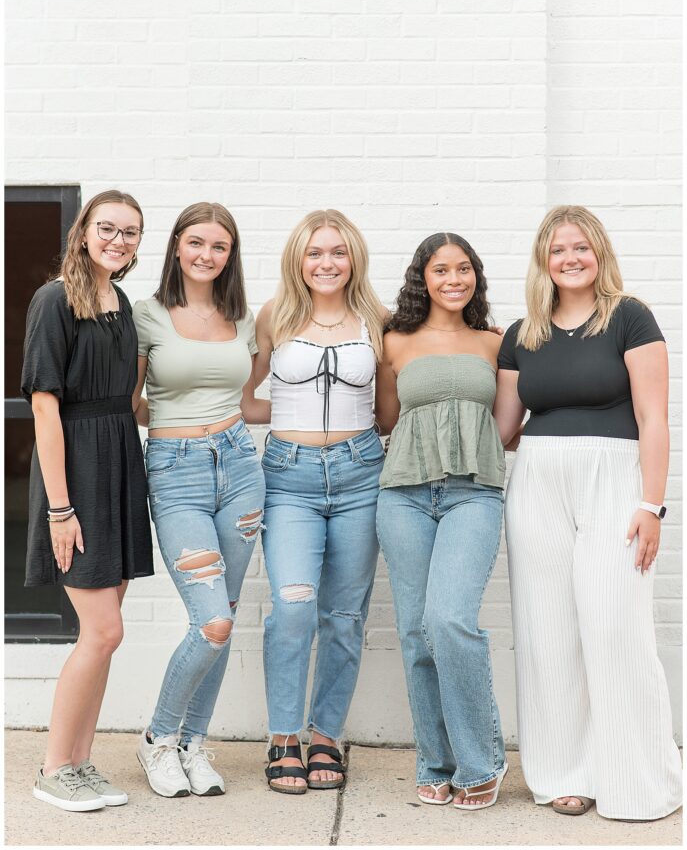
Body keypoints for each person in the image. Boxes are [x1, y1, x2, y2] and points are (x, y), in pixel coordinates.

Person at [493, 205, 682, 820]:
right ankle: (563, 774)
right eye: (557, 249)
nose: (570, 258)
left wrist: (651, 504)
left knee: (614, 624)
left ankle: (635, 780)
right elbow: (503, 429)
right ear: (542, 260)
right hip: (540, 482)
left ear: (598, 253)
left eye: (581, 247)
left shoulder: (629, 317)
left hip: (616, 479)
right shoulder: (522, 333)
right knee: (547, 631)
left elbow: (655, 418)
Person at [23, 190, 153, 812]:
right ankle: (54, 767)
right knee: (102, 630)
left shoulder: (120, 301)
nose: (118, 241)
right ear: (83, 232)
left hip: (120, 462)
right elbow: (44, 406)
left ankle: (80, 761)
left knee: (105, 634)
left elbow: (127, 399)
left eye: (130, 233)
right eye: (108, 228)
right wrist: (59, 507)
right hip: (76, 473)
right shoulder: (55, 299)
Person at [133, 202, 267, 798]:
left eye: (219, 246)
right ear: (177, 248)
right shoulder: (147, 315)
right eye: (196, 243)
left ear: (230, 255)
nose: (207, 255)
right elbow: (131, 402)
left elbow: (250, 400)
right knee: (210, 621)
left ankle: (192, 744)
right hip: (177, 471)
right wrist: (174, 434)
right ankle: (159, 740)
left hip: (240, 468)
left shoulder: (244, 320)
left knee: (227, 616)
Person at [254, 209, 386, 794]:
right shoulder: (274, 317)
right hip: (288, 478)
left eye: (337, 252)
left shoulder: (378, 320)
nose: (326, 263)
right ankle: (284, 735)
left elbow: (389, 411)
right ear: (298, 260)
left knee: (343, 617)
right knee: (294, 606)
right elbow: (244, 397)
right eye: (314, 252)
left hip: (361, 476)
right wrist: (290, 423)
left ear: (353, 257)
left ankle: (325, 734)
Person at [375, 232, 508, 810]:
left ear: (475, 275)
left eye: (463, 269)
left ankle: (482, 761)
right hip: (402, 494)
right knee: (415, 633)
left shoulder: (497, 343)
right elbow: (385, 418)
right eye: (440, 270)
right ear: (421, 279)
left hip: (473, 494)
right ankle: (435, 761)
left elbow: (507, 429)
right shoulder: (394, 341)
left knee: (449, 618)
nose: (453, 280)